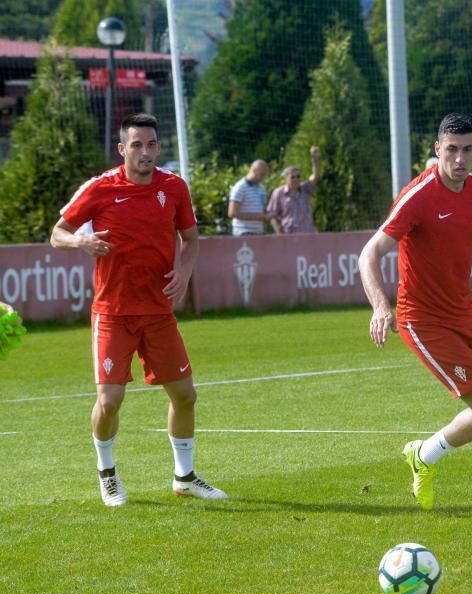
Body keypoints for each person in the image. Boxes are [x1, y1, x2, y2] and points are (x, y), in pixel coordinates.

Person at [359, 113, 472, 523]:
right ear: (437, 149)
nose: (460, 158)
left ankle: (424, 454)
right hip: (424, 322)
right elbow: (370, 252)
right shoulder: (419, 195)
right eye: (451, 149)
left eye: (468, 149)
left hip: (465, 312)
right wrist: (380, 306)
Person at [49, 113, 227, 507]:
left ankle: (184, 477)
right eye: (137, 145)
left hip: (158, 311)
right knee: (110, 400)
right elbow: (57, 233)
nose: (145, 152)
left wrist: (183, 272)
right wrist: (82, 243)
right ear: (122, 149)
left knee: (185, 395)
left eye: (151, 145)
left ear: (158, 147)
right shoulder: (99, 188)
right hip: (113, 313)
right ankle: (108, 474)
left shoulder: (174, 187)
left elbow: (191, 239)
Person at [267, 145, 321, 234]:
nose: (296, 179)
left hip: (307, 234)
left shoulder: (305, 189)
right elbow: (272, 215)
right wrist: (279, 232)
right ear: (285, 179)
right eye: (293, 177)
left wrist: (315, 159)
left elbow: (316, 176)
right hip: (288, 236)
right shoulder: (278, 193)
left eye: (298, 176)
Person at [229, 159, 273, 236]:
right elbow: (232, 213)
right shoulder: (240, 187)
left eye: (265, 175)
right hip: (243, 231)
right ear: (254, 171)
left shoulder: (261, 188)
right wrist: (257, 217)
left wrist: (269, 215)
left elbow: (263, 209)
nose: (263, 178)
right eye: (261, 174)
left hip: (259, 231)